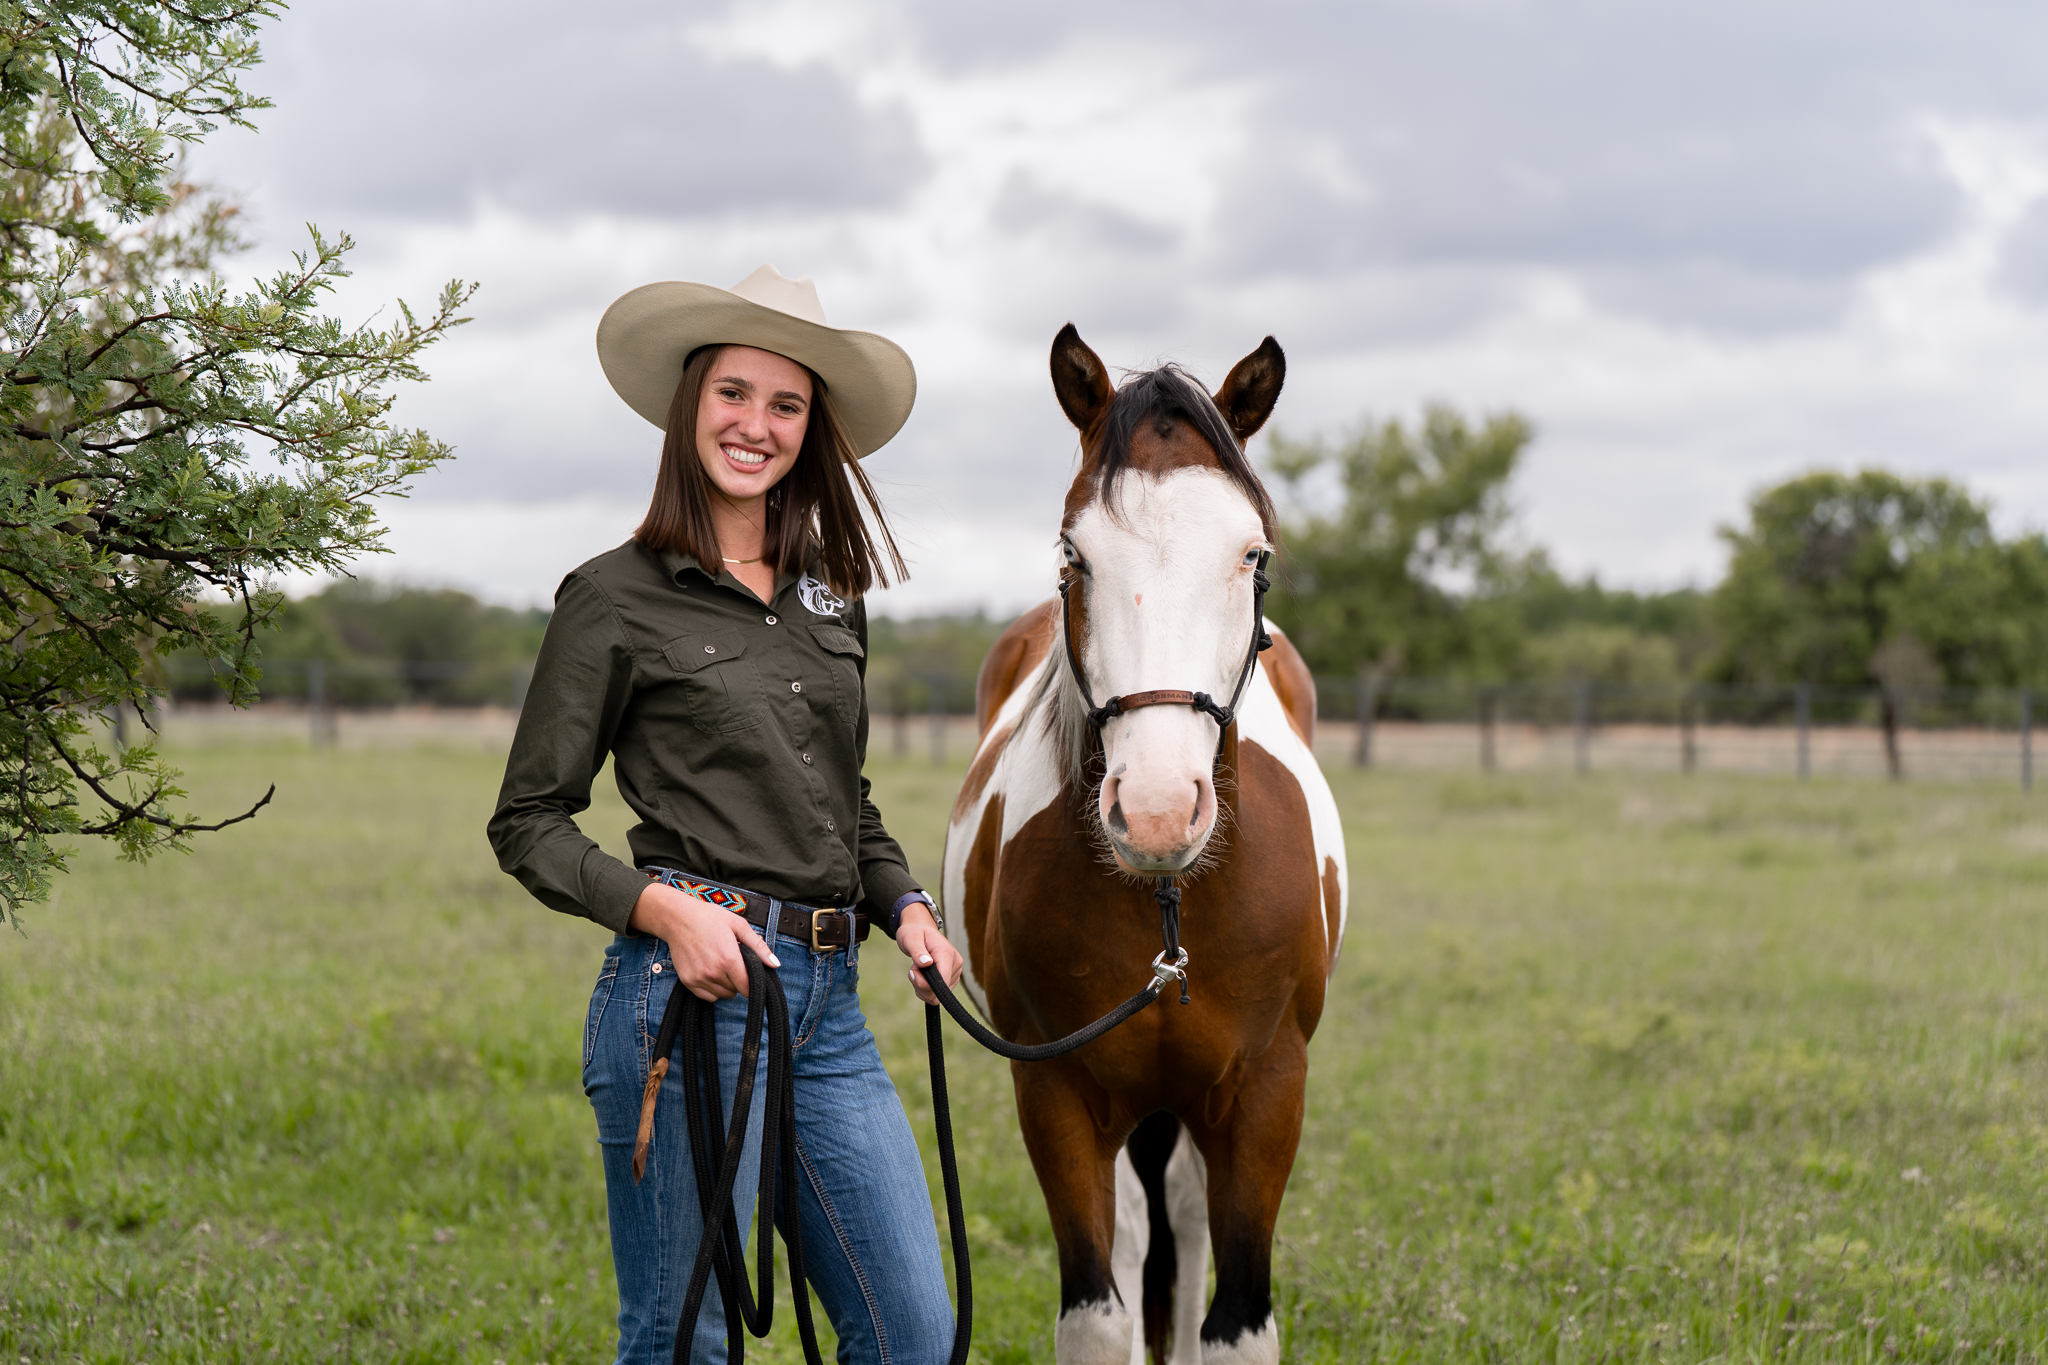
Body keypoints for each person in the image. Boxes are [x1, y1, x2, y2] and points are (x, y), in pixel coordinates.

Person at [487, 265, 966, 1365]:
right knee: (684, 1343)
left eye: (786, 404)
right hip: (686, 1003)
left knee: (914, 1338)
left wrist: (909, 907)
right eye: (734, 394)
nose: (757, 424)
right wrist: (661, 911)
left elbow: (841, 802)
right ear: (688, 406)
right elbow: (528, 820)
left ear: (811, 430)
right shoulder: (611, 597)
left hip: (827, 1015)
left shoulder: (830, 600)